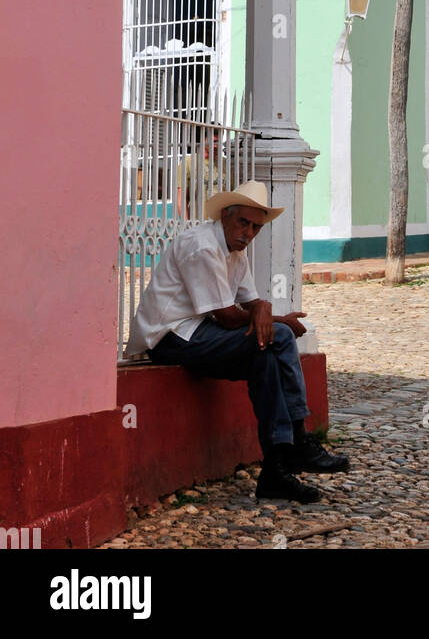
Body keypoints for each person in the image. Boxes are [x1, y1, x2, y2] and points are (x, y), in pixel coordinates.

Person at [125, 179, 347, 504]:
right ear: (225, 215)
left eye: (256, 226)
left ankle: (275, 470)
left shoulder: (236, 251)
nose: (249, 232)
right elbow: (228, 317)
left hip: (201, 334)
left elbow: (253, 303)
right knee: (278, 336)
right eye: (244, 222)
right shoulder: (202, 246)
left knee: (266, 355)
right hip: (170, 337)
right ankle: (299, 438)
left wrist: (267, 312)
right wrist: (274, 319)